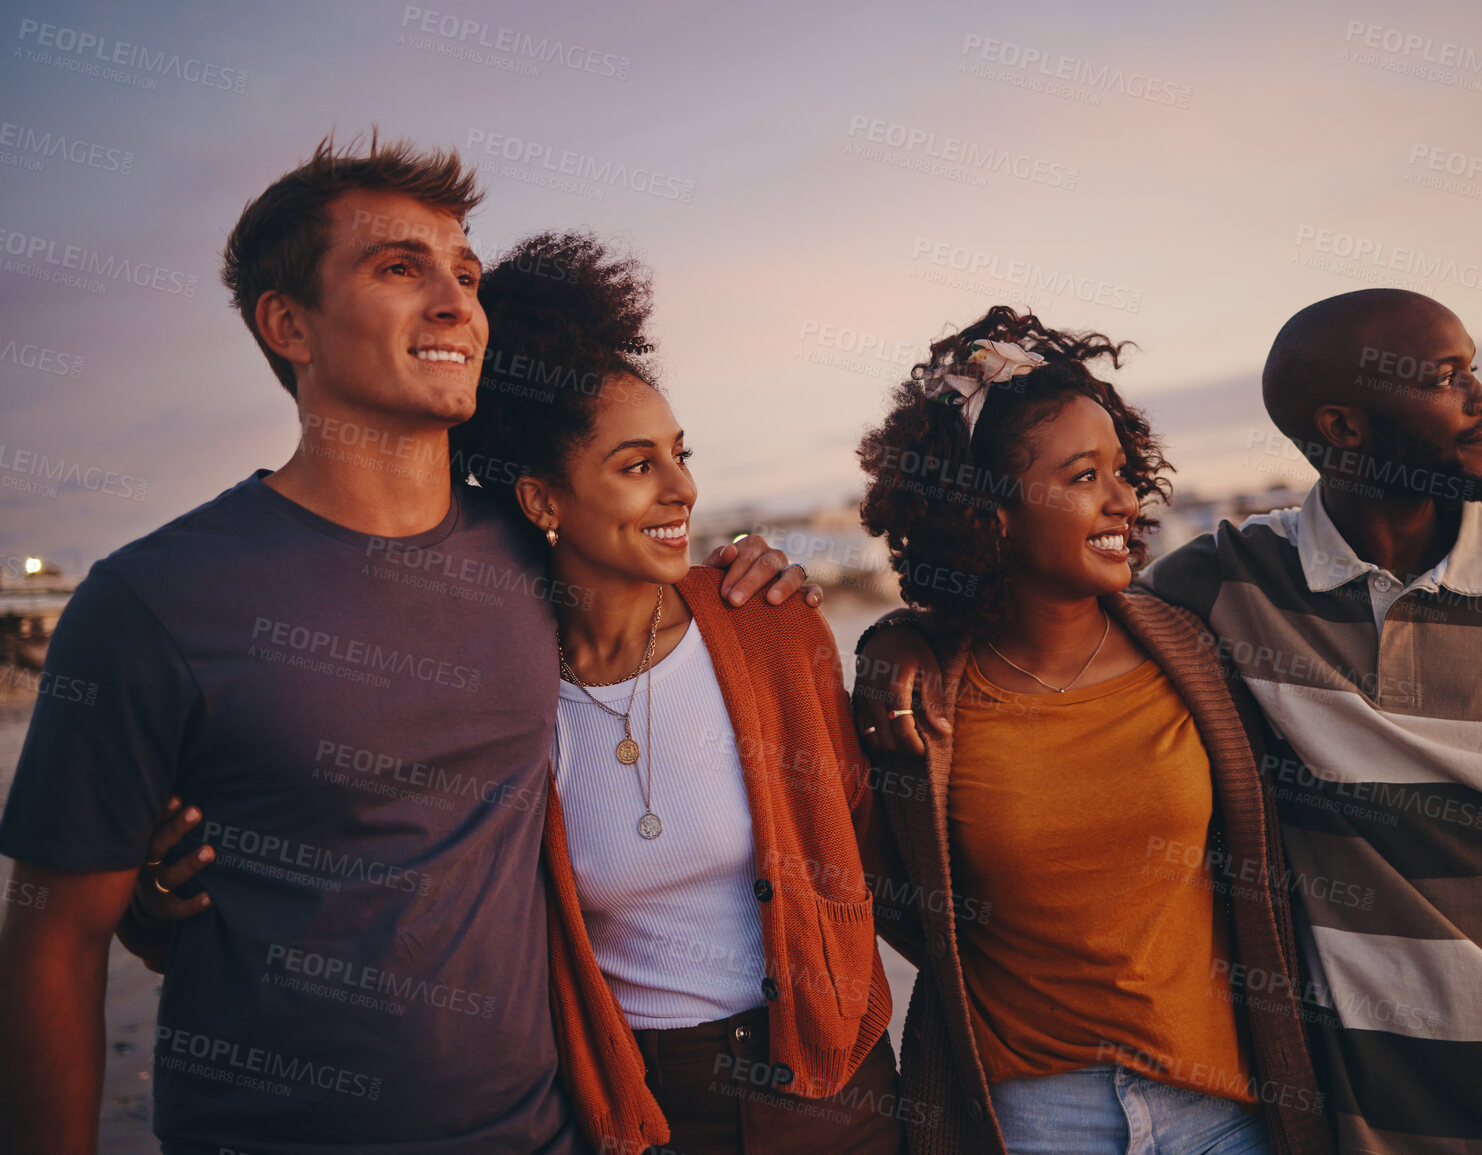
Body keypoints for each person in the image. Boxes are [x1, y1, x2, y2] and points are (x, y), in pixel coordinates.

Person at [0, 135, 810, 1155]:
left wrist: (761, 574)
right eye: (400, 268)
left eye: (464, 275)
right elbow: (53, 942)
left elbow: (665, 572)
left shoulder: (534, 550)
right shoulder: (152, 604)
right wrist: (151, 909)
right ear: (288, 324)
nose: (456, 302)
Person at [122, 229, 904, 1155]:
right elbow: (381, 871)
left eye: (678, 453)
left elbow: (871, 846)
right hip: (629, 1110)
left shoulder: (768, 623)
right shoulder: (494, 678)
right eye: (635, 464)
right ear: (541, 502)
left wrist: (913, 669)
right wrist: (160, 901)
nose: (681, 488)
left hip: (834, 1095)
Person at [857, 289, 1482, 1153]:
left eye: (1119, 471)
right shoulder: (1228, 585)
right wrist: (901, 638)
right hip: (1348, 1113)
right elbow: (1037, 620)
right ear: (1343, 425)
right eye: (1448, 379)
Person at [853, 307, 1330, 1155]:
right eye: (1081, 477)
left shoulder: (1193, 642)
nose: (1123, 498)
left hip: (1224, 1109)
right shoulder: (926, 700)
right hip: (1032, 1119)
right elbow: (894, 896)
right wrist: (888, 640)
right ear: (986, 511)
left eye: (1120, 468)